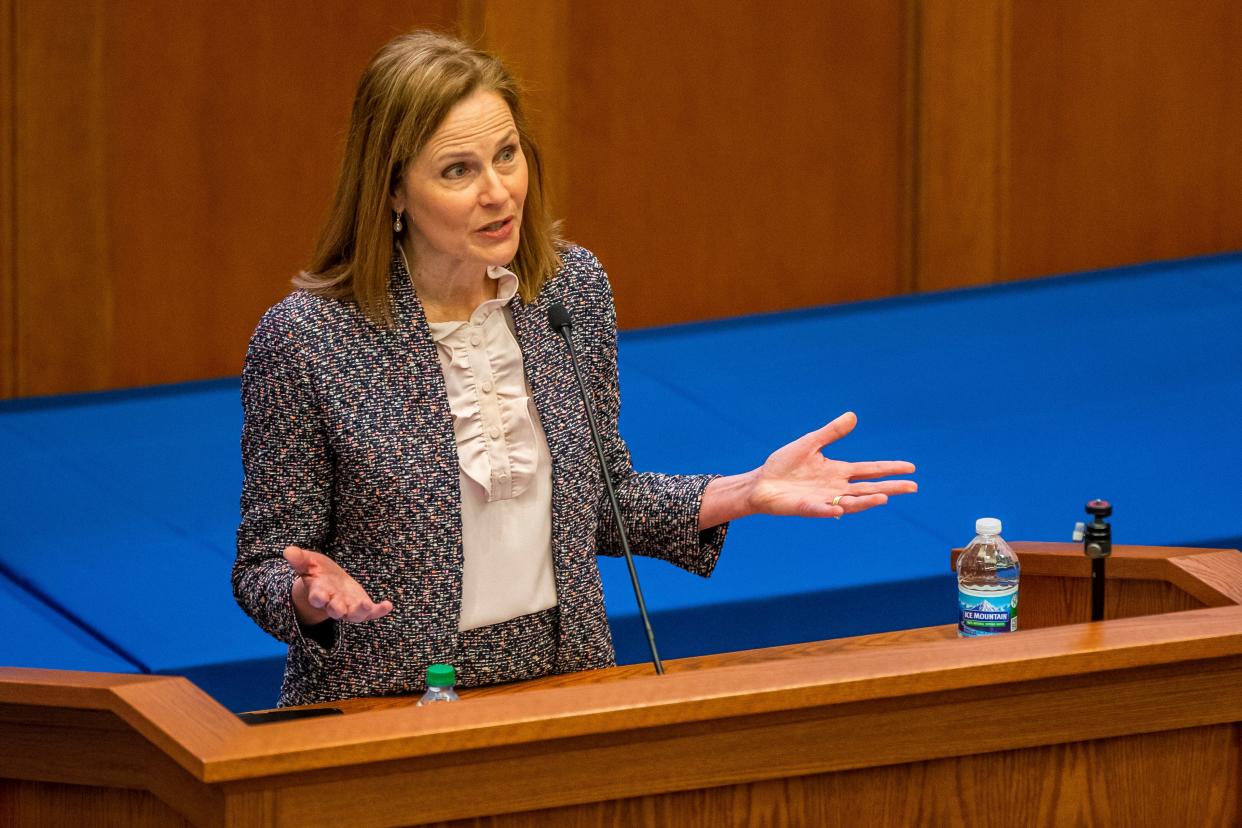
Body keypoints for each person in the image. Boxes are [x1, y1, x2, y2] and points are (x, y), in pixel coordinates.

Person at [233, 30, 917, 707]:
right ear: (392, 191)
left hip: (567, 681)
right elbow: (263, 564)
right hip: (385, 702)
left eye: (507, 156)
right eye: (457, 170)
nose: (499, 192)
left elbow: (601, 500)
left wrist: (746, 490)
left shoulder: (567, 290)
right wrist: (306, 596)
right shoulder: (308, 340)